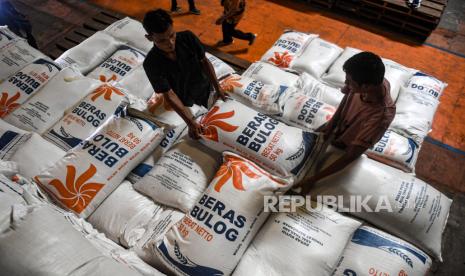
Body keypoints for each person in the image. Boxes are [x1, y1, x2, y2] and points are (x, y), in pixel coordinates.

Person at [299, 52, 396, 195]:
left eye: (349, 82)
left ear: (366, 87)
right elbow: (347, 95)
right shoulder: (374, 81)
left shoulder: (380, 116)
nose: (344, 86)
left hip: (343, 148)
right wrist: (331, 124)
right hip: (336, 129)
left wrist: (312, 180)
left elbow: (351, 156)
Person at [142, 9, 226, 139]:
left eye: (172, 35)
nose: (170, 43)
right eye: (162, 41)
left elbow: (204, 62)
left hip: (205, 87)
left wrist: (218, 87)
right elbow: (169, 94)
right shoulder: (151, 63)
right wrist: (191, 122)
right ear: (149, 38)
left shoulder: (188, 38)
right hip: (185, 100)